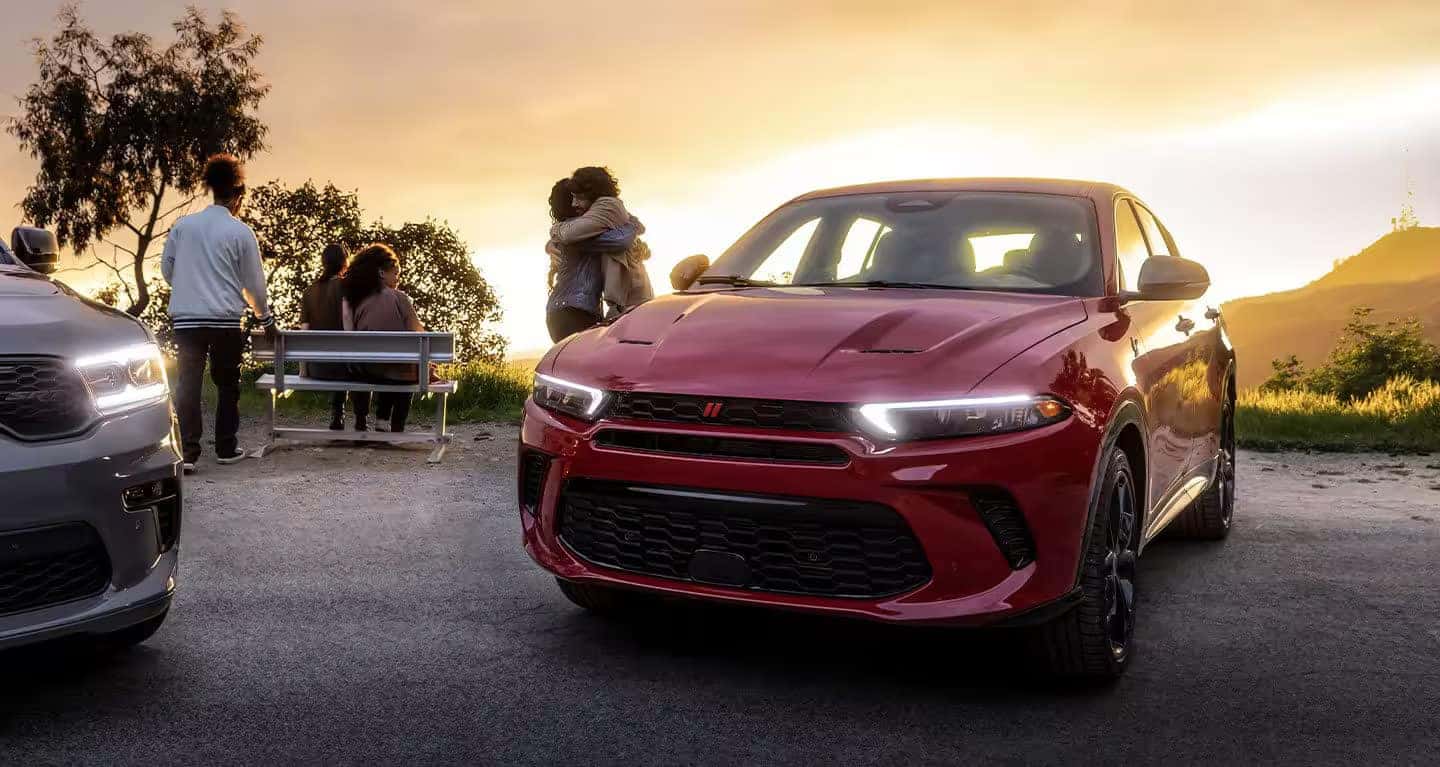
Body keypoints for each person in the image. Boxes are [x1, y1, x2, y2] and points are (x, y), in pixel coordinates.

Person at [161, 153, 274, 473]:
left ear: (212, 190)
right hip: (224, 320)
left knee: (188, 384)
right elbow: (254, 284)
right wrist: (264, 318)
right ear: (238, 195)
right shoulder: (240, 232)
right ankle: (226, 447)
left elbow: (168, 270)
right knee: (228, 383)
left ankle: (189, 453)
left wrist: (188, 286)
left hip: (187, 319)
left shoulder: (183, 227)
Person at [548, 166, 654, 318]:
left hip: (629, 302)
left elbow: (620, 242)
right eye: (572, 198)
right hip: (590, 307)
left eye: (579, 197)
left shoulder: (607, 206)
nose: (574, 204)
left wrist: (555, 232)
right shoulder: (600, 217)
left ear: (593, 193)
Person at [341, 244, 424, 432]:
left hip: (365, 369)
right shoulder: (400, 298)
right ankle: (395, 425)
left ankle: (380, 420)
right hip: (394, 372)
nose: (398, 280)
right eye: (396, 274)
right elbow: (418, 334)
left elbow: (349, 333)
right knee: (404, 369)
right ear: (381, 273)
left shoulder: (355, 299)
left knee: (388, 365)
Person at [300, 243, 351, 430]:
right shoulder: (346, 285)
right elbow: (347, 318)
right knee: (355, 360)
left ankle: (338, 414)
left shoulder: (309, 291)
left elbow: (304, 331)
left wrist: (304, 368)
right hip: (343, 368)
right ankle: (353, 418)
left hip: (317, 367)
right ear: (344, 262)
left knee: (340, 357)